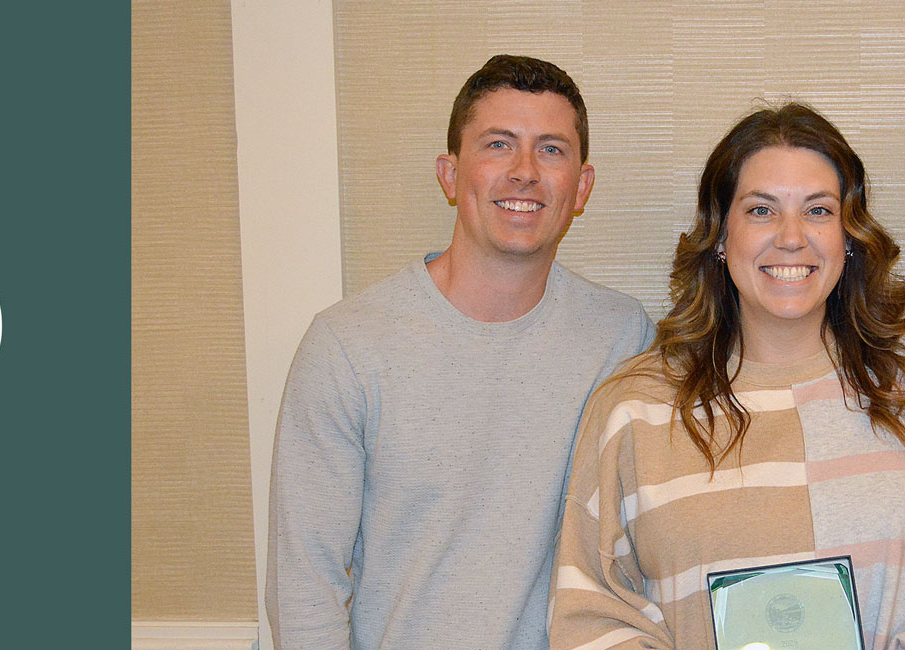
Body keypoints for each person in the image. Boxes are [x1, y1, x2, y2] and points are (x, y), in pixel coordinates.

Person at [550, 103, 905, 650]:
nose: (791, 237)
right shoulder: (633, 408)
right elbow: (592, 615)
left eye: (818, 210)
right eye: (761, 210)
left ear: (849, 235)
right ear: (719, 235)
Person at [266, 55, 653, 650]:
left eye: (551, 150)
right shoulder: (347, 346)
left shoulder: (622, 338)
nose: (525, 172)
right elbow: (305, 590)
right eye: (498, 145)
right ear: (450, 175)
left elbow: (652, 543)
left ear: (581, 187)